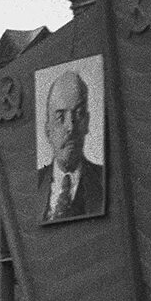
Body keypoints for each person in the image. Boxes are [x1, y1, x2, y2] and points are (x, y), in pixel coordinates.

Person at [37, 70, 105, 223]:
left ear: (86, 122)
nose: (70, 126)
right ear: (48, 130)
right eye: (60, 117)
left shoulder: (104, 179)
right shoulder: (33, 184)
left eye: (78, 114)